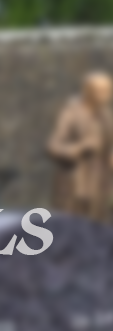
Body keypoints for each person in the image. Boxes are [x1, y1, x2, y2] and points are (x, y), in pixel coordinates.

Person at [46, 71, 113, 222]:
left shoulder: (106, 115)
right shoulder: (71, 113)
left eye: (108, 91)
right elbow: (53, 147)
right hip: (75, 187)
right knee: (71, 230)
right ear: (87, 91)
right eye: (100, 91)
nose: (106, 95)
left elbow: (107, 147)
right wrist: (81, 148)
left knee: (98, 231)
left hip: (100, 186)